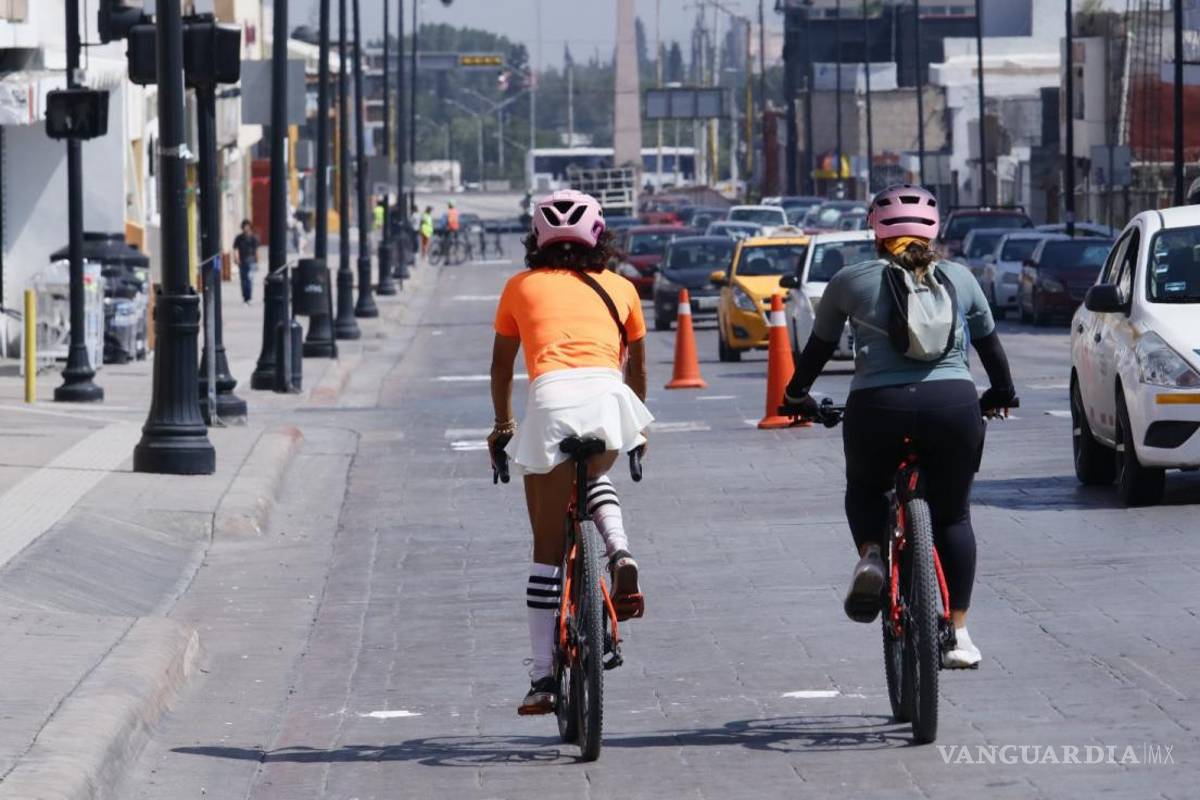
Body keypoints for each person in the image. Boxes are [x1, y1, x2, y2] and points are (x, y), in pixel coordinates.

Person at [783, 184, 1016, 670]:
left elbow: (817, 352)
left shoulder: (850, 281)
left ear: (875, 232)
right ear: (935, 232)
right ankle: (960, 633)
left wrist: (795, 397)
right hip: (952, 406)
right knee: (953, 518)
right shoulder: (961, 278)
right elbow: (992, 353)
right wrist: (999, 396)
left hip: (877, 408)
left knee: (865, 488)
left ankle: (871, 554)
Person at [489, 190, 652, 715]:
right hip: (608, 401)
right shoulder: (622, 288)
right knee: (595, 466)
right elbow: (639, 369)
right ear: (599, 237)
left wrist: (503, 426)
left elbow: (501, 369)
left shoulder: (520, 286)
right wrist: (637, 429)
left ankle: (541, 678)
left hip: (551, 402)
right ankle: (620, 550)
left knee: (545, 553)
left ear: (536, 238)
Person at [232, 220, 260, 304]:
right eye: (244, 226)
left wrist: (257, 262)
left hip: (251, 261)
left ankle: (249, 297)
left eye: (247, 226)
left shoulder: (253, 238)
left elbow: (256, 250)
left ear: (249, 227)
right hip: (242, 262)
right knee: (243, 280)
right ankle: (245, 297)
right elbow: (236, 249)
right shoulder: (239, 238)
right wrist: (236, 258)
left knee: (249, 279)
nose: (245, 228)